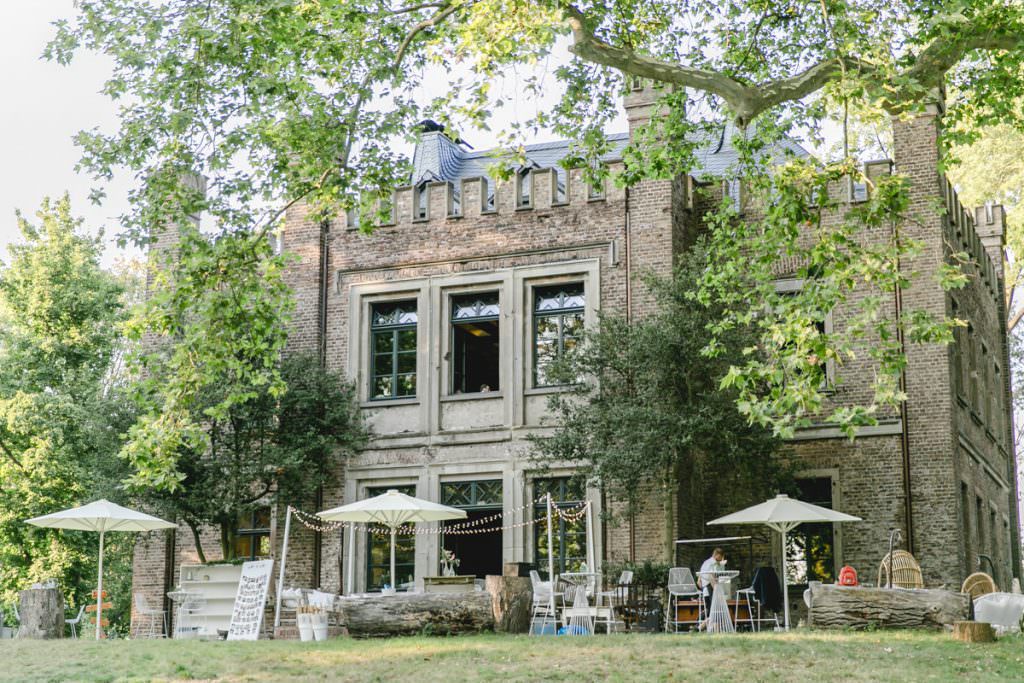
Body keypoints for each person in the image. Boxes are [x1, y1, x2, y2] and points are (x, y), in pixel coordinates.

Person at [699, 548, 727, 626]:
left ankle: (705, 625)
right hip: (709, 587)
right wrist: (716, 590)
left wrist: (722, 564)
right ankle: (699, 624)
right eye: (721, 557)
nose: (722, 559)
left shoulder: (707, 562)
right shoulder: (712, 563)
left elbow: (699, 578)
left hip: (706, 587)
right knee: (712, 608)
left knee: (710, 609)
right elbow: (711, 577)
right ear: (717, 555)